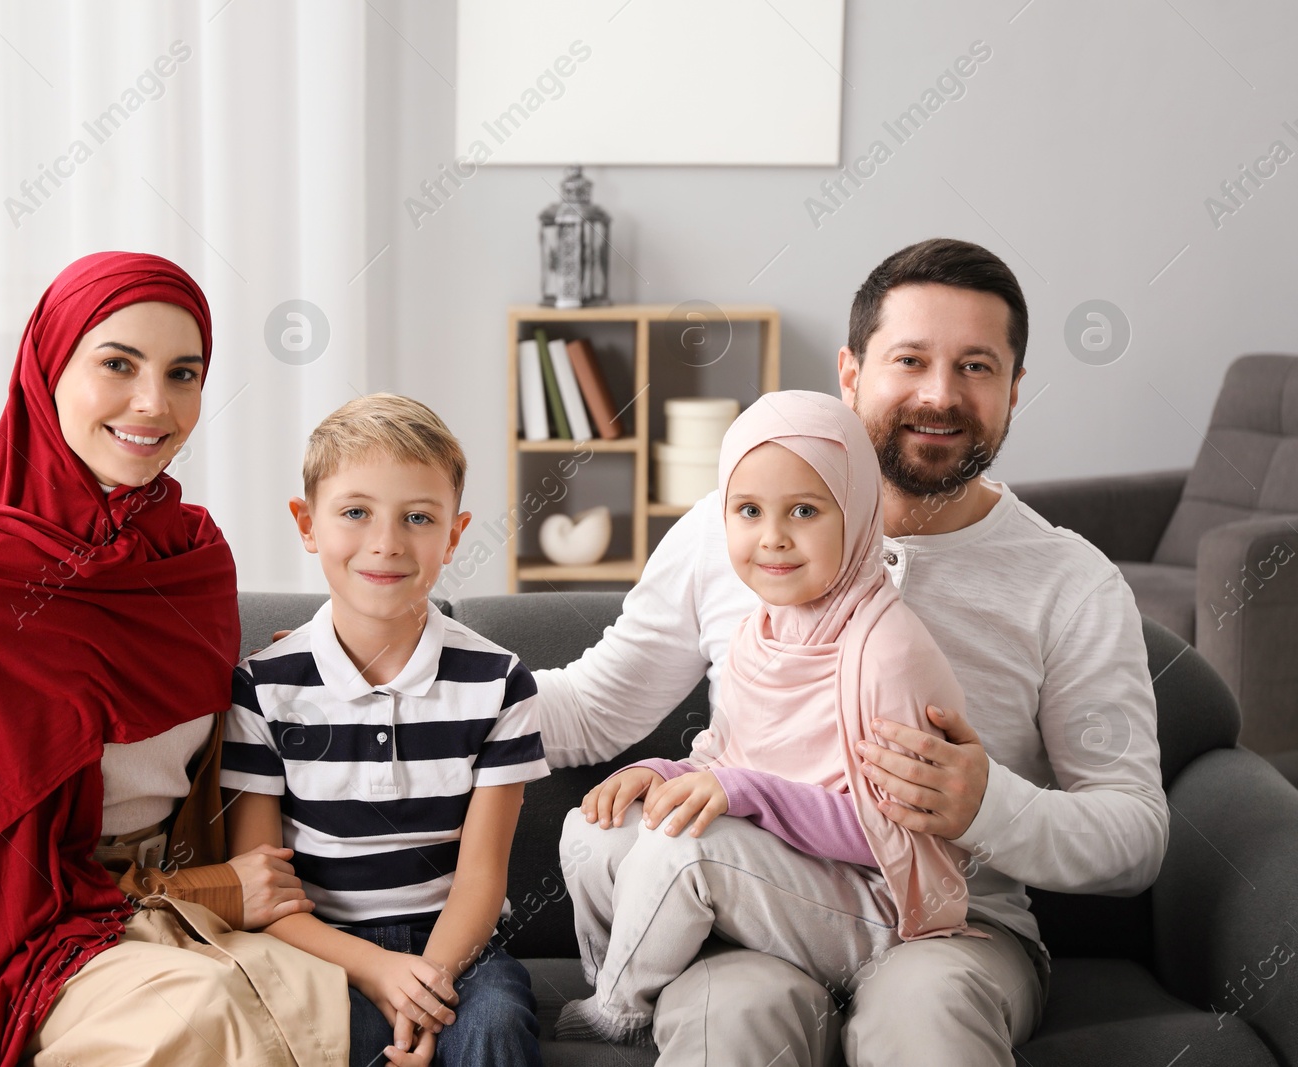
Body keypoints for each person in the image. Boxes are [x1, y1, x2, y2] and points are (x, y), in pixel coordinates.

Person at [536, 238, 1168, 1067]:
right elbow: (588, 707)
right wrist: (389, 671)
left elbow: (1136, 834)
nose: (940, 394)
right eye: (909, 359)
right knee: (731, 1015)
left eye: (976, 366)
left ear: (1015, 390)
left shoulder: (1071, 582)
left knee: (927, 1011)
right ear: (850, 373)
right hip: (745, 914)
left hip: (955, 927)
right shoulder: (733, 530)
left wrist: (988, 805)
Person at [0, 252, 347, 1067]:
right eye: (118, 363)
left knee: (345, 1006)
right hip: (22, 931)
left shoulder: (194, 559)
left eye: (183, 373)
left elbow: (210, 753)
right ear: (47, 368)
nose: (154, 404)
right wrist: (212, 888)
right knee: (204, 1014)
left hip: (163, 906)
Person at [555, 390, 980, 1046]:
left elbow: (893, 835)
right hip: (778, 873)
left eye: (804, 511)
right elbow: (728, 759)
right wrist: (657, 772)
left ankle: (619, 1008)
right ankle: (628, 969)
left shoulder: (887, 651)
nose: (773, 536)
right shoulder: (762, 629)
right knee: (595, 828)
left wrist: (747, 794)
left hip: (874, 909)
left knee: (682, 846)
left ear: (857, 513)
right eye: (748, 510)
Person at [223, 394, 549, 1067]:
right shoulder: (261, 686)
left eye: (418, 518)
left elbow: (481, 878)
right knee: (325, 1036)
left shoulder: (500, 681)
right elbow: (265, 889)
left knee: (494, 1023)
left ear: (454, 535)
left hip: (456, 946)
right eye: (355, 512)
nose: (387, 542)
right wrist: (377, 970)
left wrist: (423, 982)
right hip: (319, 944)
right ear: (307, 522)